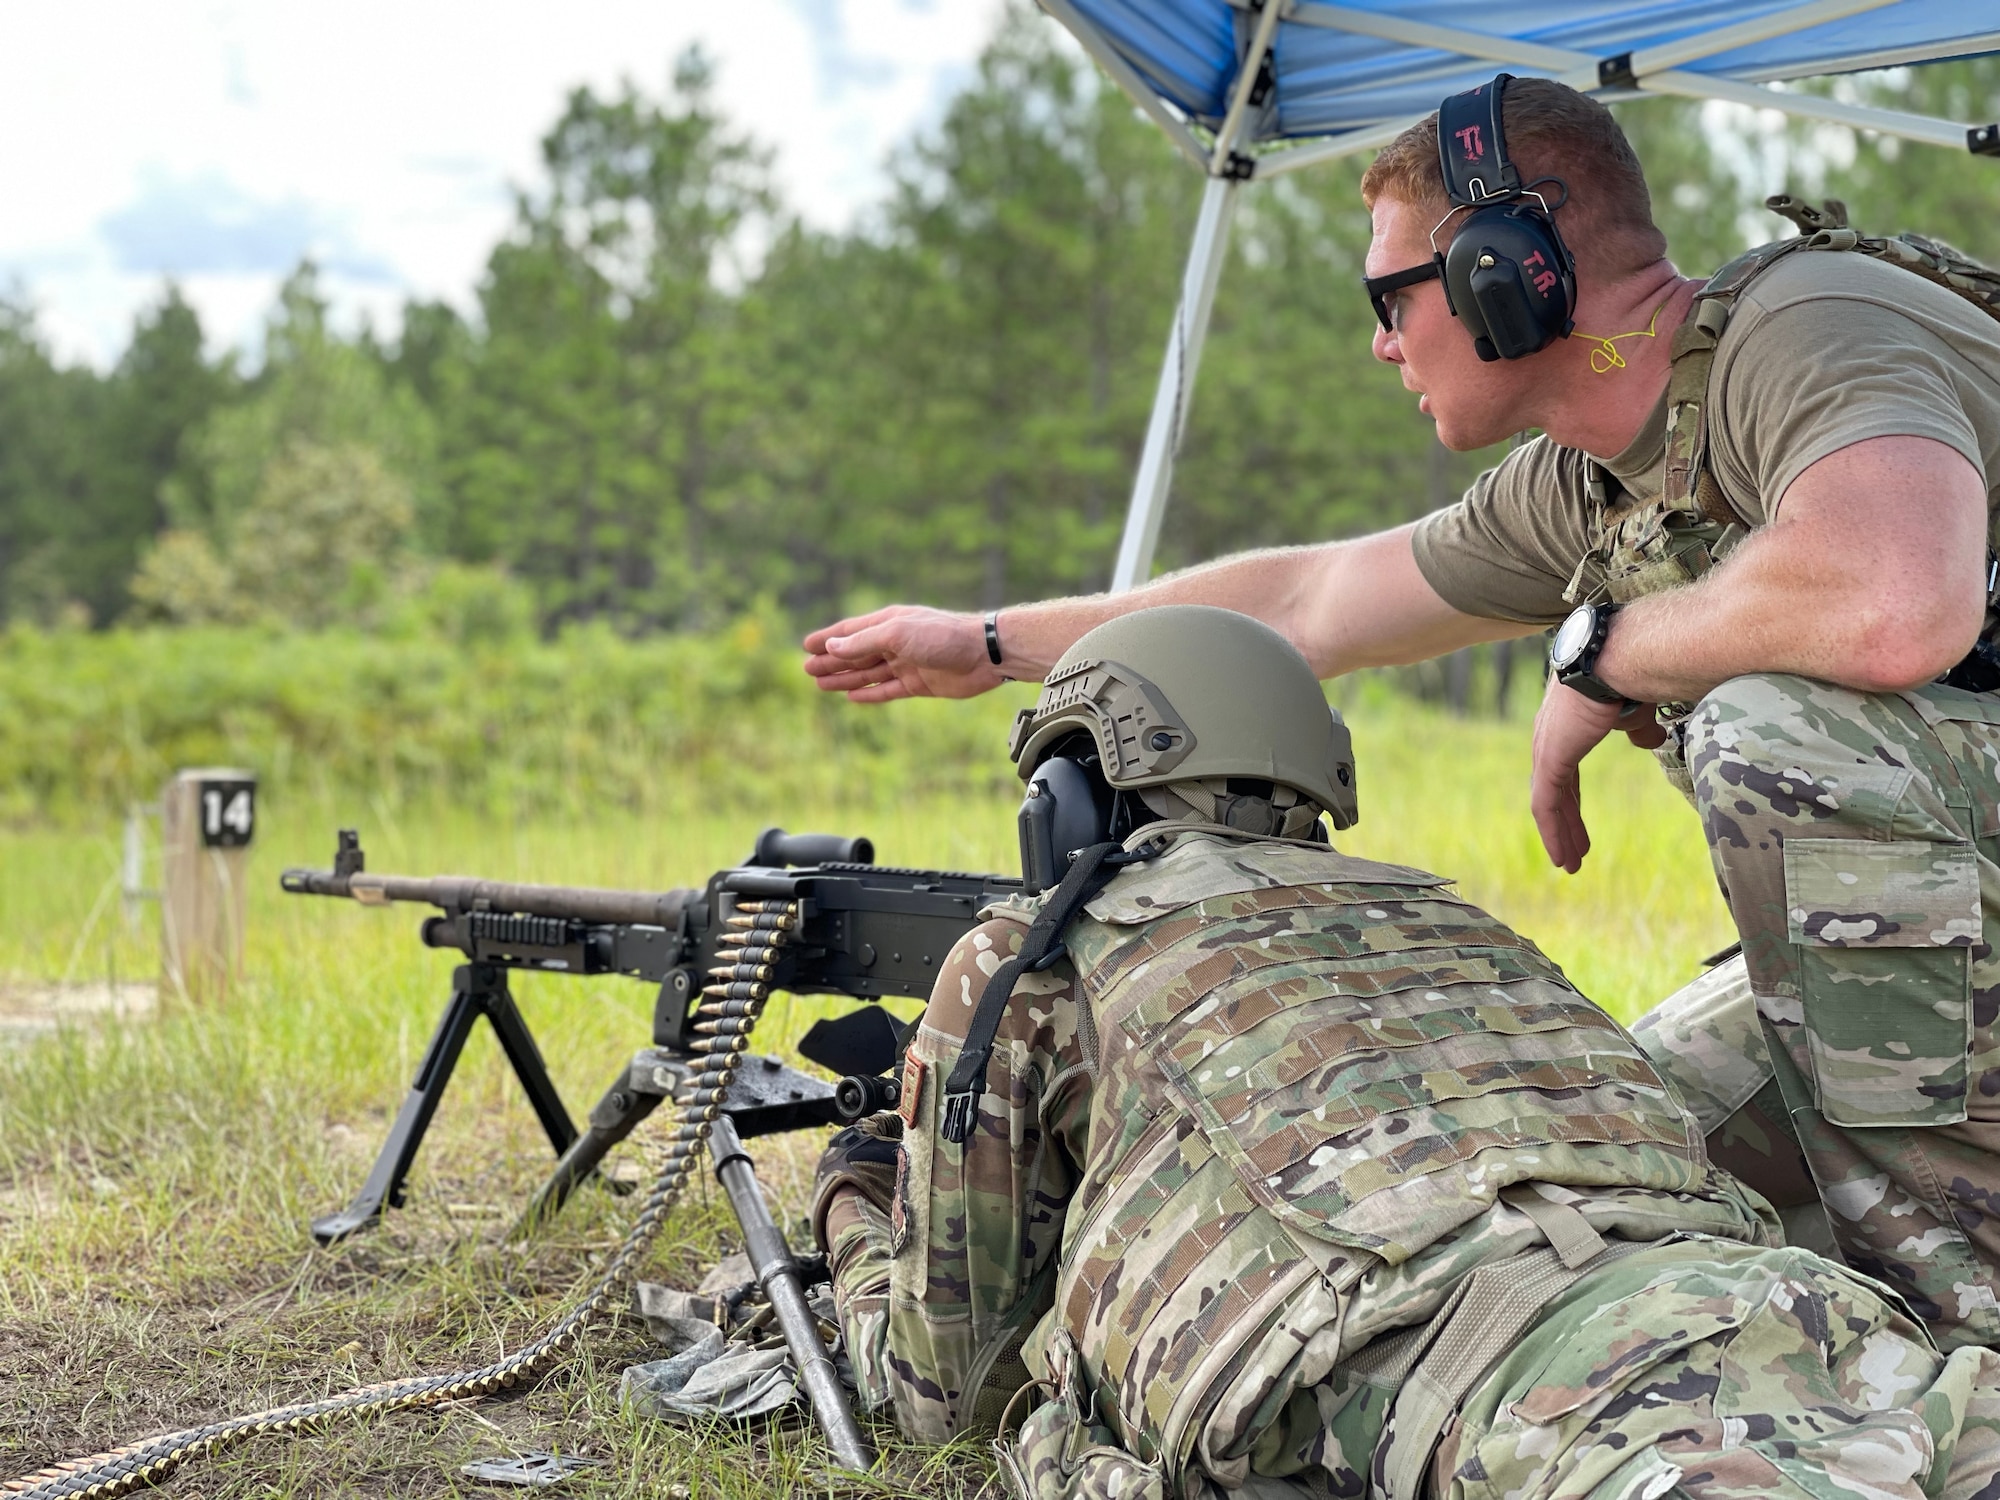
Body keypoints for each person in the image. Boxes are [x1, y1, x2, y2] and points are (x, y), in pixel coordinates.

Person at [801, 74, 2000, 1350]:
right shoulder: (1585, 483)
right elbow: (1311, 598)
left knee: (1773, 730)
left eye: (1392, 296)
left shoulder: (1807, 324)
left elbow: (1888, 599)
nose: (1378, 341)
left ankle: (1963, 1322)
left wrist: (1602, 650)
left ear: (1511, 268)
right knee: (1618, 1160)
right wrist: (986, 645)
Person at [810, 605, 2000, 1500]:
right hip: (1819, 1318)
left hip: (1532, 1400)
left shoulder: (1042, 951)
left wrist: (853, 1203)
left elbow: (942, 1391)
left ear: (1069, 794)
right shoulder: (1453, 923)